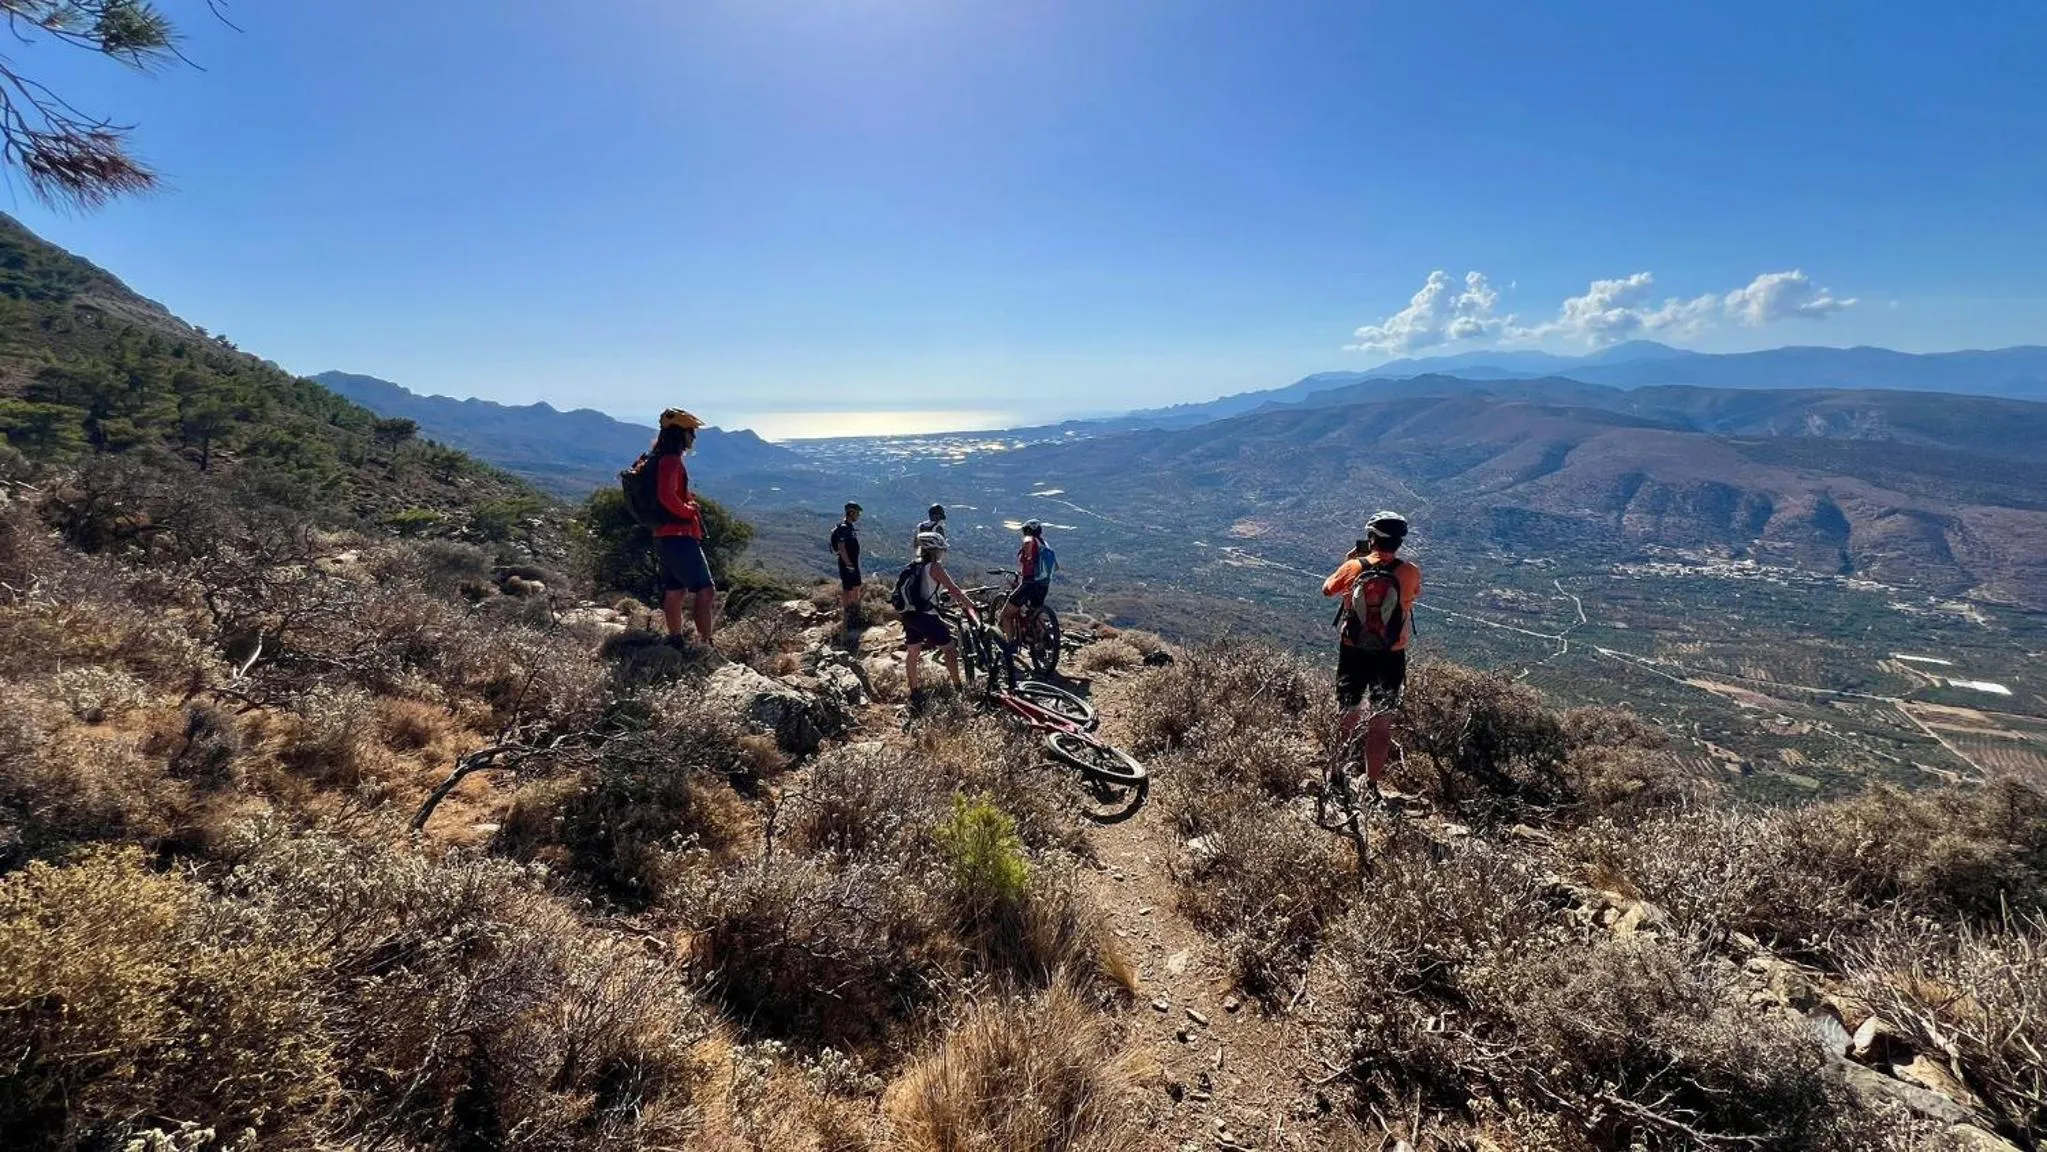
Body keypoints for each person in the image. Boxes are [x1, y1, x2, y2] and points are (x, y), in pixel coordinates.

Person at [1321, 511, 1422, 792]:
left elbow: (1327, 590)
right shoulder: (1409, 571)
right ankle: (1372, 784)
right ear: (1399, 542)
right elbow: (1414, 596)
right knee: (1381, 722)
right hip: (1391, 654)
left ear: (1371, 538)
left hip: (1353, 651)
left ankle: (1336, 775)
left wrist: (1350, 561)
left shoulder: (1354, 566)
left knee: (1347, 714)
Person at [650, 408, 718, 647]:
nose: (693, 438)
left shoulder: (657, 457)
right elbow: (666, 496)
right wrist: (688, 510)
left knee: (675, 590)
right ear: (680, 433)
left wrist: (686, 497)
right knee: (706, 590)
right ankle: (705, 644)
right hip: (679, 535)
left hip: (663, 535)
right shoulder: (671, 460)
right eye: (691, 432)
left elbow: (669, 494)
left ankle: (675, 639)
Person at [899, 530, 968, 704]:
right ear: (933, 550)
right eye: (940, 550)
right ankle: (958, 686)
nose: (941, 553)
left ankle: (914, 691)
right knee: (950, 649)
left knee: (913, 651)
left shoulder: (914, 565)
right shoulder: (935, 567)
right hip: (926, 616)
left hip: (909, 614)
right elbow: (953, 589)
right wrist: (970, 604)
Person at [1001, 519, 1053, 644]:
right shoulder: (1044, 543)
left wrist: (1026, 556)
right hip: (1043, 584)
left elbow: (1027, 555)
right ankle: (1043, 636)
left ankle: (1011, 645)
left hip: (1030, 583)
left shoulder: (1029, 540)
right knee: (1035, 609)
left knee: (1006, 615)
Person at [830, 502, 864, 630]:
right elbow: (841, 548)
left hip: (852, 563)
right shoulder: (844, 528)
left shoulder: (849, 527)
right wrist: (848, 564)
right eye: (857, 513)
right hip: (847, 564)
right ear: (851, 512)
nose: (858, 516)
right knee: (848, 588)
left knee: (856, 586)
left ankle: (854, 610)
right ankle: (849, 612)